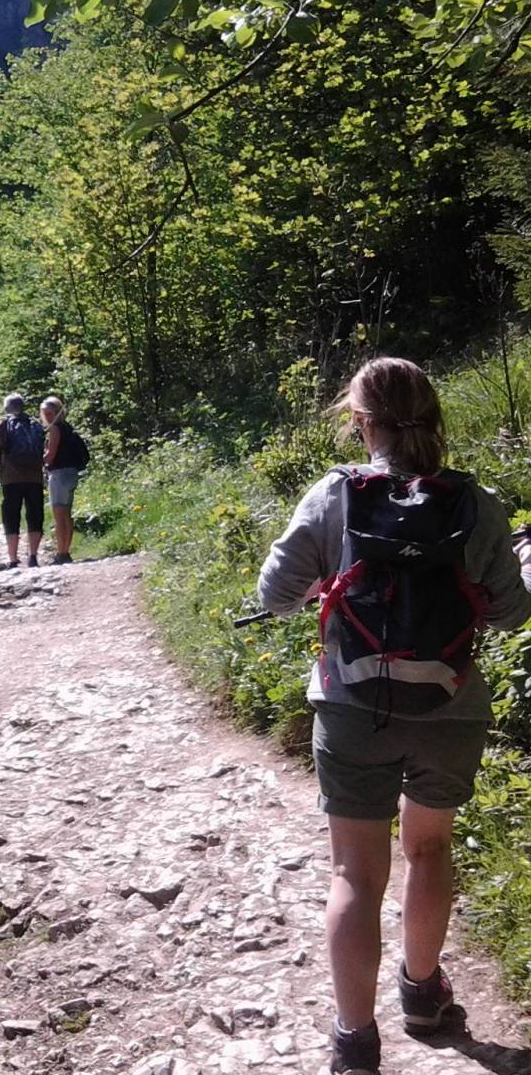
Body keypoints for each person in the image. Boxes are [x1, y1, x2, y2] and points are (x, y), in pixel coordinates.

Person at [257, 357, 531, 1075]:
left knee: (355, 872)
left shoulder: (335, 494)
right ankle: (422, 994)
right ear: (435, 414)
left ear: (359, 421)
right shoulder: (476, 503)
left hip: (351, 705)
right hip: (450, 705)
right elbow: (511, 613)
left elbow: (273, 594)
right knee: (429, 849)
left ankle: (355, 1042)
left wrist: (325, 581)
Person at [0, 393, 46, 569]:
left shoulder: (2, 423)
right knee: (35, 515)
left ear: (6, 408)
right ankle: (33, 556)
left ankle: (13, 558)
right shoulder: (35, 423)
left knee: (11, 516)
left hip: (11, 478)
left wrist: (1, 461)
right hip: (34, 477)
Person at [40, 395, 88, 565]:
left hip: (59, 475)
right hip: (71, 474)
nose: (47, 417)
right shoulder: (68, 428)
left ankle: (61, 553)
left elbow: (50, 456)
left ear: (58, 413)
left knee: (59, 516)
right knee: (66, 514)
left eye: (50, 413)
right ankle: (65, 551)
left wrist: (33, 461)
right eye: (45, 414)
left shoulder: (54, 430)